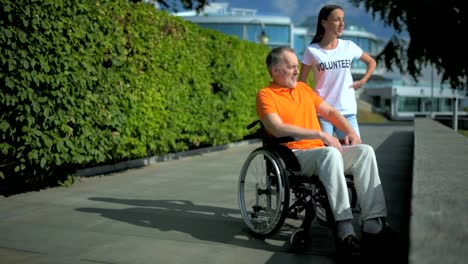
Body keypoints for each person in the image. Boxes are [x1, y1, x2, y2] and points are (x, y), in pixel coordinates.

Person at [256, 46, 391, 259]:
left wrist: (349, 132)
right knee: (330, 154)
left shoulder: (303, 89)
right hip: (294, 155)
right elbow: (277, 128)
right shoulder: (266, 95)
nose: (295, 71)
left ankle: (374, 225)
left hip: (321, 153)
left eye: (295, 66)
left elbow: (329, 111)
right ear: (274, 70)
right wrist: (320, 134)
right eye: (290, 67)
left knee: (364, 152)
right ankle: (345, 230)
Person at [298, 4, 376, 140]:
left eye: (343, 19)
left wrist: (363, 80)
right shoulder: (312, 50)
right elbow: (301, 83)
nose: (342, 24)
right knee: (326, 153)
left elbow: (371, 62)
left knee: (355, 151)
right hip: (323, 112)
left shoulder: (348, 46)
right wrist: (309, 103)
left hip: (347, 111)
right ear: (324, 23)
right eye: (336, 20)